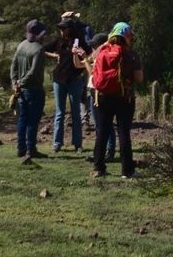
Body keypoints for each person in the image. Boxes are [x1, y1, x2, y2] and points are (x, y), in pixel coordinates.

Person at [91, 22, 143, 179]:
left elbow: (93, 63)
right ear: (127, 36)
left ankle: (98, 168)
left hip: (102, 97)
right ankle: (127, 171)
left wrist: (107, 42)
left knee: (103, 132)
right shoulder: (131, 55)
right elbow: (139, 78)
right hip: (124, 97)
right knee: (123, 132)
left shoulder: (102, 52)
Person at [46, 17, 91, 153]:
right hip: (59, 80)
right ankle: (57, 143)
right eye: (60, 28)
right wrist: (54, 56)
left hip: (75, 80)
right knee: (59, 113)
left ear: (70, 29)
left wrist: (83, 64)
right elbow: (43, 50)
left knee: (75, 112)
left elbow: (90, 56)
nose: (61, 31)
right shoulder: (58, 42)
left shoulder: (80, 41)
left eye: (63, 28)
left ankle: (78, 144)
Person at [73, 32, 116, 162]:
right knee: (98, 124)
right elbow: (78, 65)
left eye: (94, 46)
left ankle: (109, 150)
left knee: (105, 124)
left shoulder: (104, 56)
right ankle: (100, 151)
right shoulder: (95, 55)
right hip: (93, 92)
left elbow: (92, 71)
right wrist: (75, 55)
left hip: (101, 93)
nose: (92, 48)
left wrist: (85, 58)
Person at [10, 19, 48, 161]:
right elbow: (33, 71)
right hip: (33, 89)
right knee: (32, 121)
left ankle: (21, 148)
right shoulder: (39, 49)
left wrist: (15, 83)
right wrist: (21, 83)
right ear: (38, 34)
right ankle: (31, 149)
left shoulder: (21, 45)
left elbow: (13, 66)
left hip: (20, 91)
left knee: (22, 120)